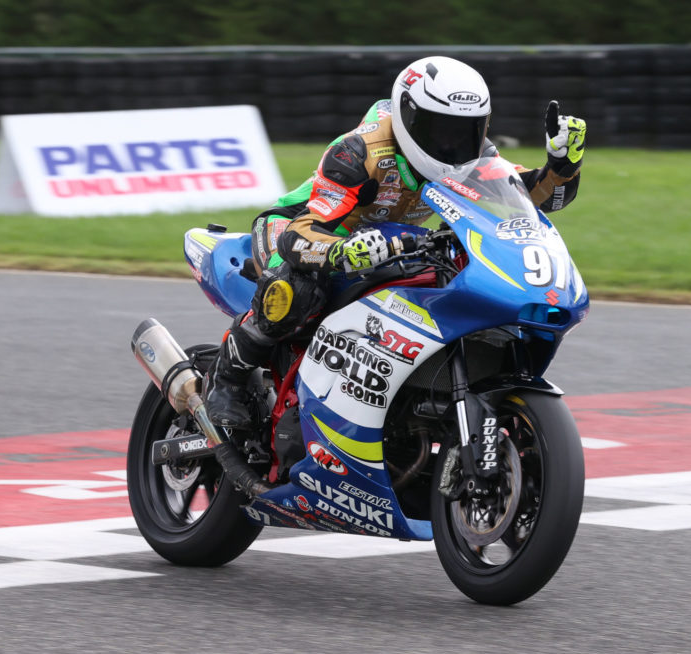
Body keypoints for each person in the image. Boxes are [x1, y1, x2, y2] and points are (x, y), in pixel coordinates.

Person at [204, 55, 587, 428]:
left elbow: (526, 199)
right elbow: (298, 236)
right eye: (440, 129)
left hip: (389, 242)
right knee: (295, 288)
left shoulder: (477, 158)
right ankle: (227, 382)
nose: (453, 144)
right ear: (408, 116)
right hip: (300, 230)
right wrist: (341, 250)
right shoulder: (359, 151)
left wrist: (562, 168)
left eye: (466, 131)